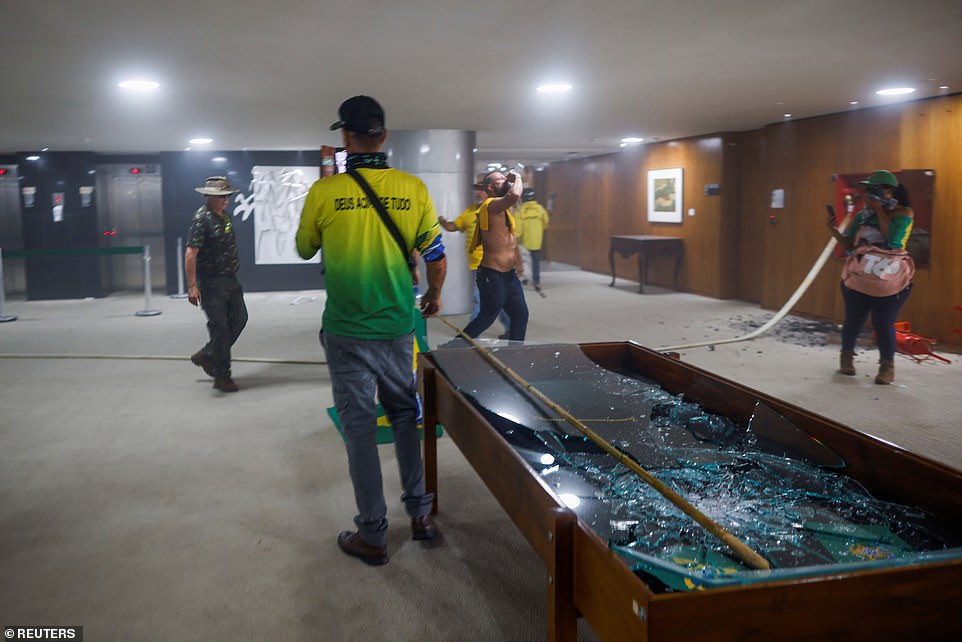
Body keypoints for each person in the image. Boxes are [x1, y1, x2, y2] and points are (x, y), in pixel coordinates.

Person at [295, 95, 447, 566]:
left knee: (360, 429)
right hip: (398, 327)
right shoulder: (414, 188)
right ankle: (421, 515)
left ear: (345, 137)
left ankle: (374, 534)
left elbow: (304, 248)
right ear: (383, 136)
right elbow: (436, 257)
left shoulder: (324, 193)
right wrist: (432, 297)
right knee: (405, 416)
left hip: (345, 331)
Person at [827, 169, 914, 384]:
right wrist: (834, 231)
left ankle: (887, 367)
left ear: (889, 192)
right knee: (853, 320)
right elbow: (850, 246)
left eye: (874, 190)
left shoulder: (904, 213)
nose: (868, 194)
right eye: (868, 190)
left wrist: (879, 210)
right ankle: (846, 358)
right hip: (859, 276)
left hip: (889, 279)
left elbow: (892, 241)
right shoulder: (861, 216)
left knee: (883, 321)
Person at [185, 176, 249, 393]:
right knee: (220, 328)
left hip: (230, 279)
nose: (226, 199)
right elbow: (191, 253)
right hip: (211, 283)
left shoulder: (226, 217)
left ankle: (208, 353)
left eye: (228, 195)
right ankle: (222, 376)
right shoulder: (201, 219)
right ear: (209, 196)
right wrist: (192, 285)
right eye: (221, 196)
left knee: (240, 318)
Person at [460, 170, 528, 342]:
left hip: (509, 275)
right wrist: (518, 177)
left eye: (506, 178)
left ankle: (515, 352)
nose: (506, 181)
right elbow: (514, 196)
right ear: (490, 187)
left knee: (520, 316)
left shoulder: (503, 209)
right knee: (486, 318)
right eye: (501, 179)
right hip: (493, 275)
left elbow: (511, 240)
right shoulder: (490, 205)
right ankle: (453, 347)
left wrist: (518, 262)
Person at [438, 178, 510, 334]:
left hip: (492, 264)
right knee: (498, 300)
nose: (478, 192)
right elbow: (453, 226)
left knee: (480, 299)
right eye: (477, 189)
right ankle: (512, 329)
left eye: (481, 189)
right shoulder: (470, 211)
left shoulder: (497, 211)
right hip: (476, 265)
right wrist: (443, 223)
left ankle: (471, 336)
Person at [516, 188, 550, 289]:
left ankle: (525, 278)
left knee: (525, 260)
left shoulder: (520, 211)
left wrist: (516, 236)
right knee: (535, 261)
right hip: (537, 240)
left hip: (524, 240)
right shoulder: (540, 209)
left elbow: (519, 227)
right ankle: (536, 280)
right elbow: (545, 223)